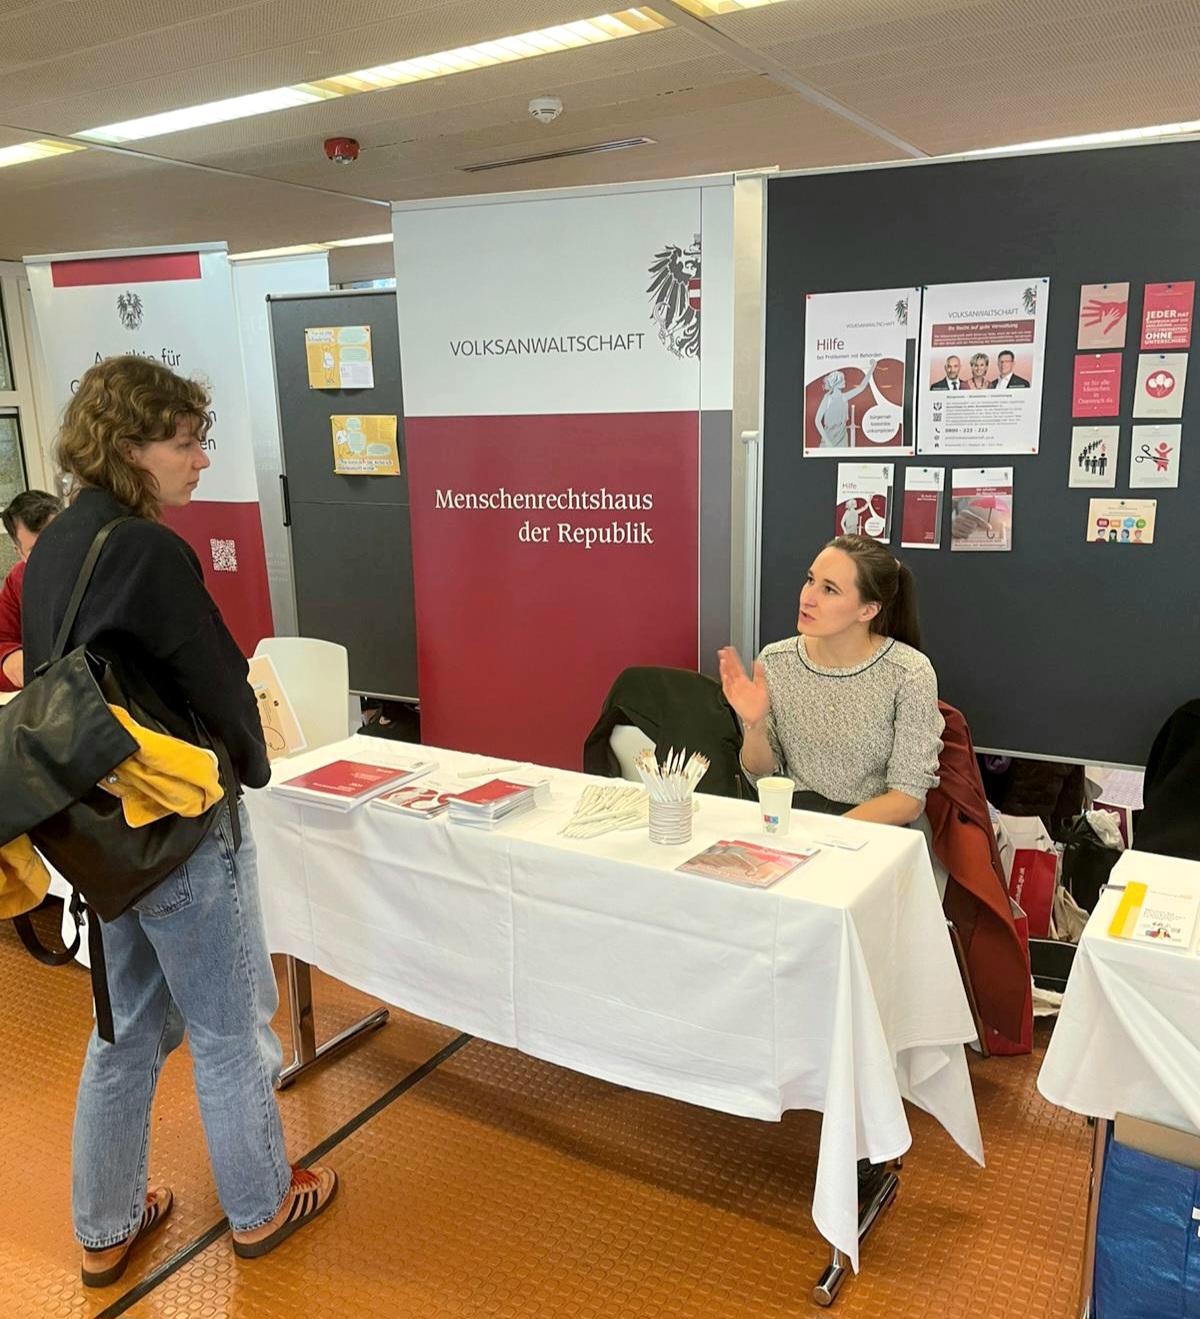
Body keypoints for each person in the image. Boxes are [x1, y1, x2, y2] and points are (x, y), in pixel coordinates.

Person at [21, 356, 337, 1287]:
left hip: (103, 839)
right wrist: (254, 764)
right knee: (228, 1027)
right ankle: (260, 1203)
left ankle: (105, 1223)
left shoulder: (50, 553)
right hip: (183, 828)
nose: (202, 460)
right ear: (130, 448)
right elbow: (220, 683)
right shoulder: (149, 550)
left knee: (125, 1031)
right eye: (186, 441)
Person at [718, 535, 944, 826]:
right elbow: (762, 776)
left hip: (872, 829)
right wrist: (755, 725)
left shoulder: (909, 672)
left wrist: (826, 838)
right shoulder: (775, 660)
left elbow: (907, 800)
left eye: (829, 590)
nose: (807, 598)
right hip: (794, 820)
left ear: (868, 610)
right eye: (810, 580)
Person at [0, 488, 61, 691]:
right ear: (19, 553)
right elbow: (3, 640)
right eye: (38, 550)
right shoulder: (17, 579)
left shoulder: (99, 561)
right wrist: (11, 660)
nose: (54, 555)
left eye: (58, 541)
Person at [813, 360, 876, 448]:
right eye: (842, 380)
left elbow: (862, 387)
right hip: (829, 439)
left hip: (842, 438)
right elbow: (817, 421)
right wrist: (827, 442)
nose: (845, 382)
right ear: (836, 383)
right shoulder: (827, 398)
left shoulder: (844, 397)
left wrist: (872, 367)